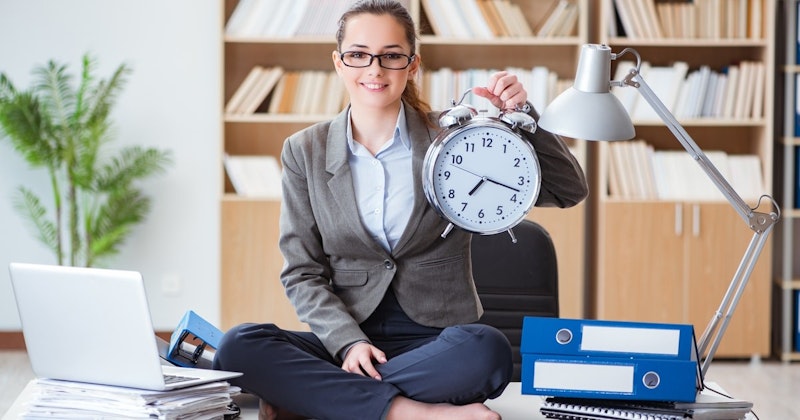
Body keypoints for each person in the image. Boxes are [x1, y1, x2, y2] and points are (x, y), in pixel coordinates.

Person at [213, 1, 588, 419]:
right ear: (339, 63)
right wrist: (348, 343)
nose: (374, 70)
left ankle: (321, 399)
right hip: (346, 338)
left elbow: (567, 190)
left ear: (412, 65)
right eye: (358, 55)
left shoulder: (454, 140)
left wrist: (523, 116)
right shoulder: (305, 151)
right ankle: (412, 413)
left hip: (435, 343)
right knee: (238, 346)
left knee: (487, 351)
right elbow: (302, 271)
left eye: (391, 55)